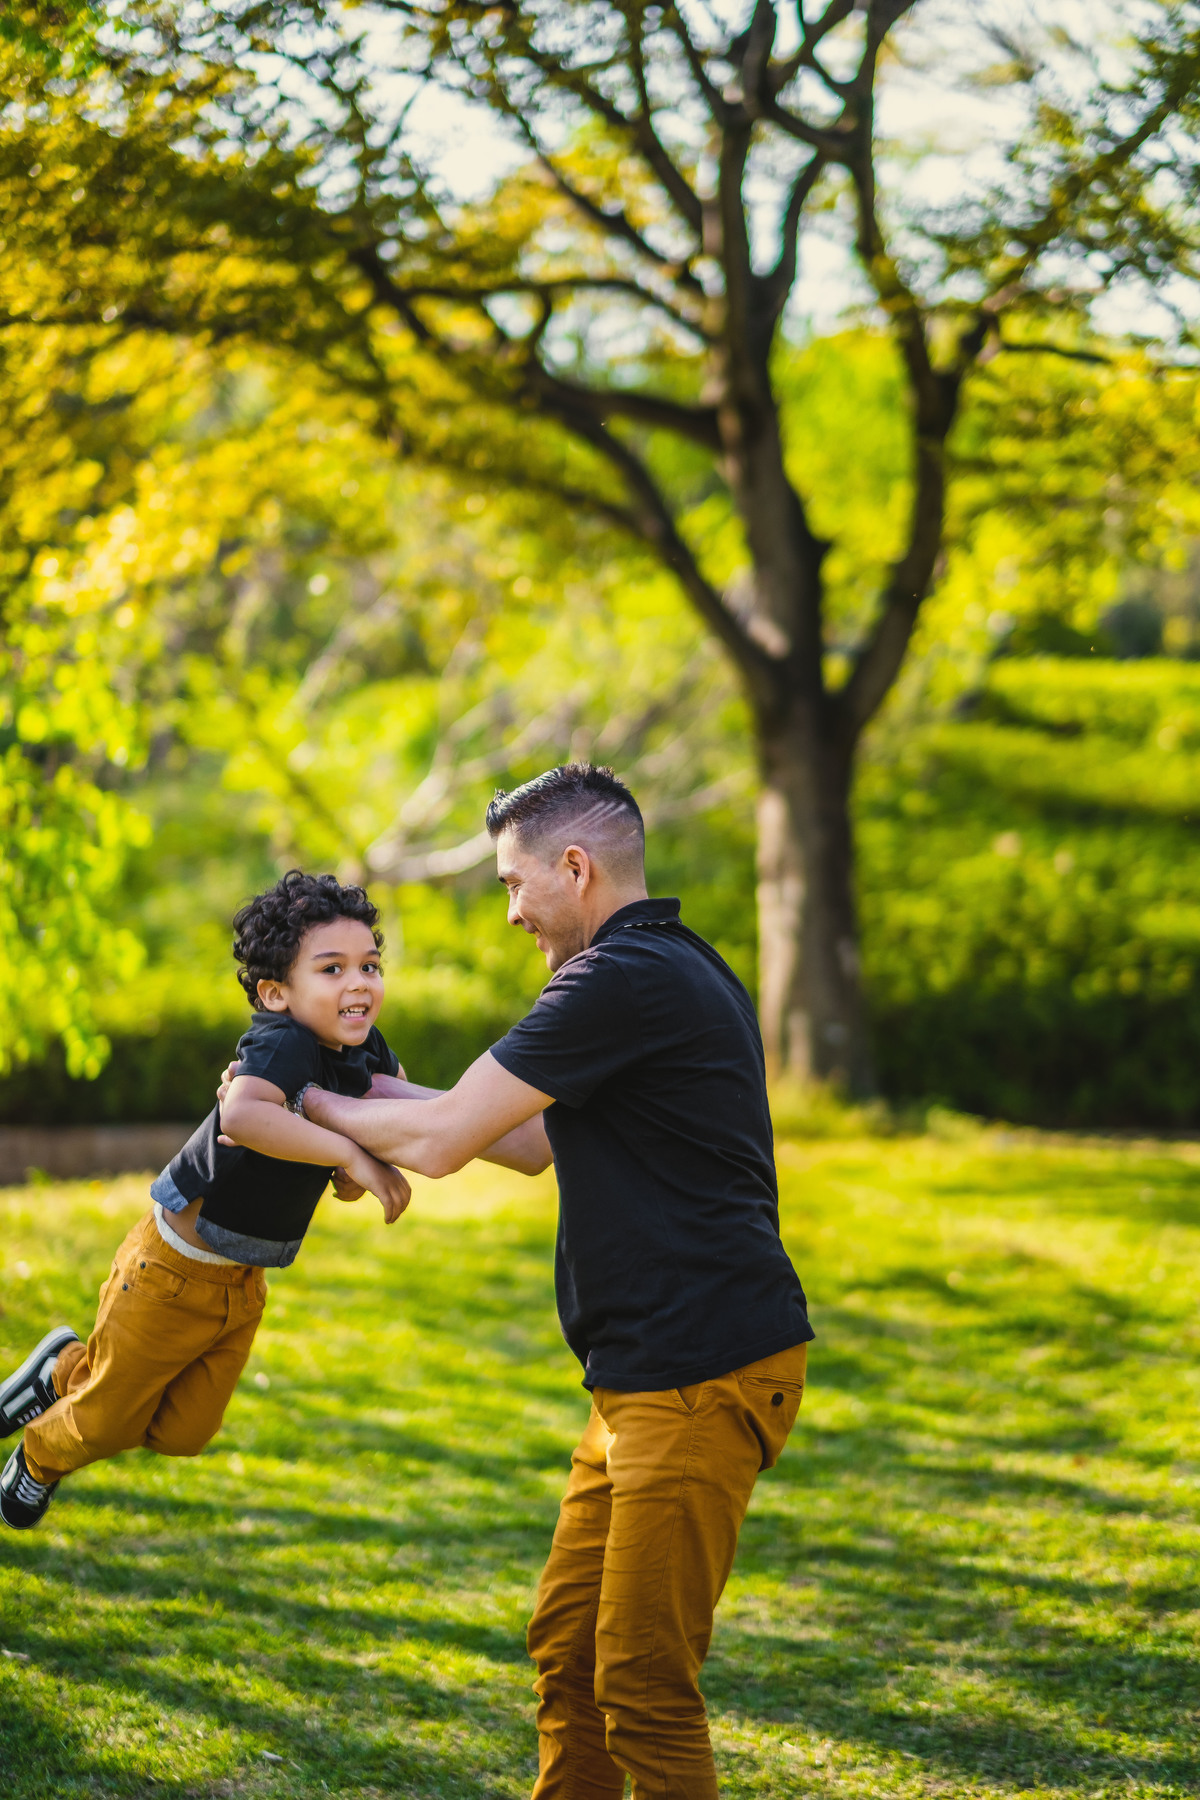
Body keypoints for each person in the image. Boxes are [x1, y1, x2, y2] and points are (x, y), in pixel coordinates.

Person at [259, 763, 814, 1800]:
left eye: (516, 884)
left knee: (643, 1680)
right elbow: (519, 1143)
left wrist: (296, 1104)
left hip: (700, 1368)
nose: (511, 911)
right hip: (645, 1378)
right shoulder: (668, 969)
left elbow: (435, 1141)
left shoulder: (620, 979)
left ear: (576, 866)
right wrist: (359, 1088)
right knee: (569, 1652)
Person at [0, 870, 412, 1530]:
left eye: (370, 964)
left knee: (184, 1433)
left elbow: (390, 1113)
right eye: (332, 969)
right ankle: (40, 1454)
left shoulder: (363, 1053)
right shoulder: (282, 1042)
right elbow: (244, 1117)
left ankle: (64, 1370)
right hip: (169, 1274)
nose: (360, 982)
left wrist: (362, 1166)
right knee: (104, 1424)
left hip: (242, 1282)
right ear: (276, 992)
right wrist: (348, 1155)